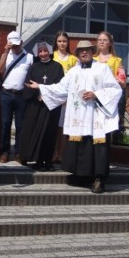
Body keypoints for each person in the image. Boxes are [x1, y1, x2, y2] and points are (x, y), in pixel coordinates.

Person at [27, 40, 123, 193]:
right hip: (80, 117)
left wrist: (96, 94)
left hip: (96, 116)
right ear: (77, 54)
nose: (84, 53)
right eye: (81, 51)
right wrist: (41, 87)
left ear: (92, 52)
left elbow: (115, 89)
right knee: (81, 145)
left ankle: (99, 179)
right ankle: (82, 176)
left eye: (87, 50)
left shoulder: (102, 69)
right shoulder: (73, 72)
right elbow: (60, 88)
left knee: (98, 147)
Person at [18, 41, 64, 171]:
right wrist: (36, 95)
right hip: (35, 105)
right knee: (32, 130)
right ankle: (32, 158)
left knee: (49, 133)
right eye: (40, 51)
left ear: (50, 51)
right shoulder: (34, 67)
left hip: (51, 106)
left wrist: (45, 94)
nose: (43, 53)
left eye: (45, 50)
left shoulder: (57, 67)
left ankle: (47, 160)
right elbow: (27, 85)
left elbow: (60, 87)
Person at [0, 31, 33, 163]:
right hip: (6, 93)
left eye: (17, 45)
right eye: (12, 46)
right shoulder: (6, 55)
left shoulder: (29, 57)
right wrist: (5, 53)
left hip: (21, 94)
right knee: (5, 123)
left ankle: (18, 152)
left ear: (21, 42)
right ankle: (4, 151)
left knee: (20, 125)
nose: (15, 48)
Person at [52, 31, 78, 163]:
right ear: (56, 42)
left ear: (68, 43)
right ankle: (51, 153)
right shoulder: (52, 56)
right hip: (53, 96)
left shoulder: (73, 59)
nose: (62, 44)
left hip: (67, 99)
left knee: (63, 127)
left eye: (64, 41)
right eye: (59, 41)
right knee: (52, 127)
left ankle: (61, 154)